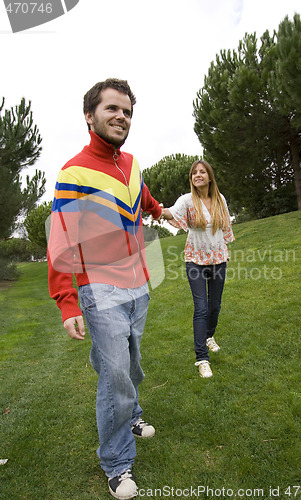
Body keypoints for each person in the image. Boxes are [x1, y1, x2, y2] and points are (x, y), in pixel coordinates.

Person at [47, 78, 162, 500]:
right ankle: (118, 463)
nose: (121, 117)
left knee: (129, 362)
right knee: (113, 372)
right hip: (100, 289)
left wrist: (160, 209)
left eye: (127, 111)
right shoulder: (73, 171)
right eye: (113, 109)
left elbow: (140, 196)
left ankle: (131, 412)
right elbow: (61, 237)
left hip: (139, 286)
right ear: (90, 116)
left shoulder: (131, 163)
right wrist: (67, 301)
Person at [161, 160, 234, 378]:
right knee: (201, 308)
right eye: (194, 173)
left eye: (202, 172)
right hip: (195, 260)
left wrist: (224, 251)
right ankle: (202, 358)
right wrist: (154, 209)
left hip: (218, 259)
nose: (198, 175)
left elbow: (226, 227)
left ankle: (209, 336)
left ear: (210, 177)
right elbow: (170, 213)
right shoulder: (186, 200)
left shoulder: (220, 199)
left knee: (215, 306)